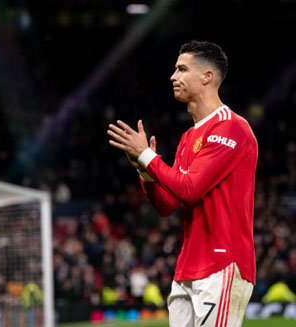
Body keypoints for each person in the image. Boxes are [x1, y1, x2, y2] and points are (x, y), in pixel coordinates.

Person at [107, 40, 258, 327]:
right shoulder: (189, 139)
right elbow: (168, 205)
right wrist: (144, 170)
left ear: (207, 77)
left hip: (222, 264)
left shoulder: (232, 127)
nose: (173, 76)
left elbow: (190, 188)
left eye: (181, 69)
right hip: (188, 267)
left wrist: (148, 155)